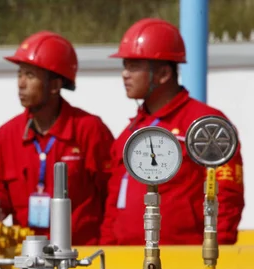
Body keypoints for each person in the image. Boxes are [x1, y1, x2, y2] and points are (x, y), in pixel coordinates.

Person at [100, 18, 245, 245]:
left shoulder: (206, 124)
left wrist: (216, 258)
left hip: (186, 265)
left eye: (134, 66)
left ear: (164, 74)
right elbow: (113, 204)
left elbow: (226, 197)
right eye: (125, 65)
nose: (125, 74)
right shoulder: (129, 133)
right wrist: (108, 249)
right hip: (124, 264)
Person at [0, 31, 115, 245]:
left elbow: (113, 196)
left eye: (30, 75)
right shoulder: (8, 134)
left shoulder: (89, 130)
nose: (21, 83)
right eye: (20, 74)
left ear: (55, 85)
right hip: (26, 261)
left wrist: (109, 249)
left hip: (81, 259)